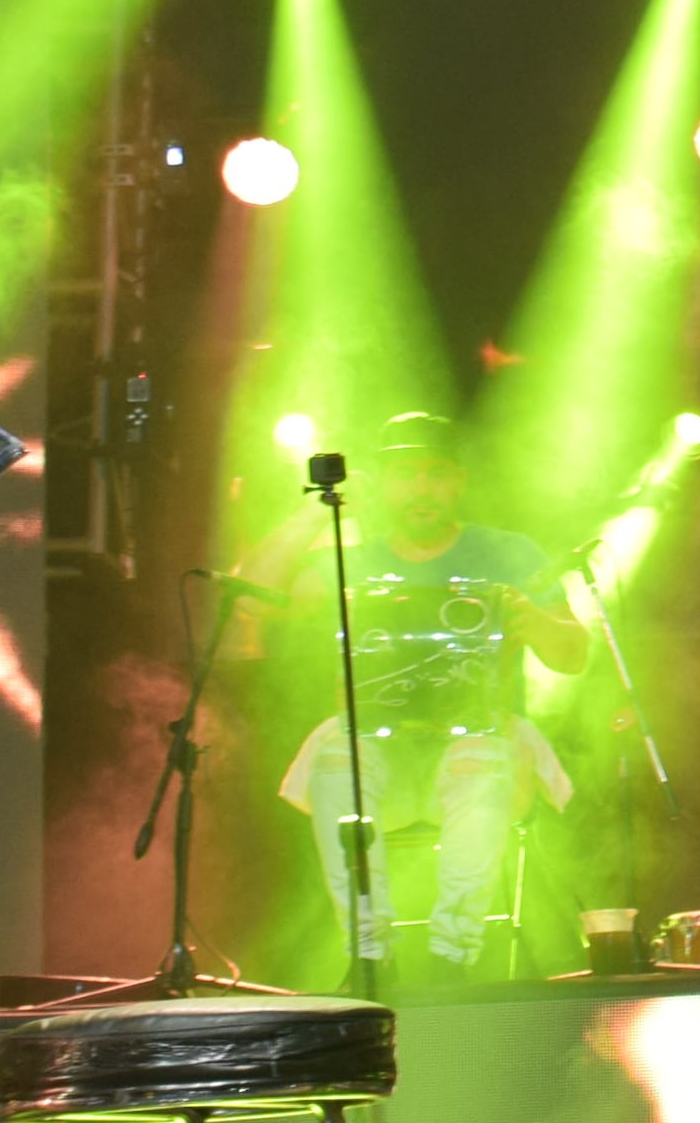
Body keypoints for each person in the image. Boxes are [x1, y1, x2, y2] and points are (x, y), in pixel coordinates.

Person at [235, 413, 589, 980]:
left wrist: (531, 619)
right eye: (405, 474)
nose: (421, 489)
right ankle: (370, 954)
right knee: (334, 764)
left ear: (459, 481)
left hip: (476, 747)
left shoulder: (509, 554)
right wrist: (313, 512)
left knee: (484, 766)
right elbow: (251, 600)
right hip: (379, 754)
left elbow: (573, 655)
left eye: (435, 474)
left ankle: (453, 955)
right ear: (381, 482)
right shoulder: (351, 562)